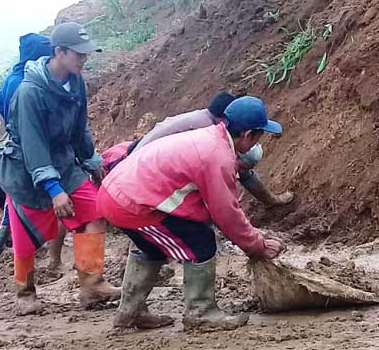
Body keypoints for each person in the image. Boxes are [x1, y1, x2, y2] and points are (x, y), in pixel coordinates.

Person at [99, 96, 285, 331]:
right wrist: (257, 244)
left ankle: (130, 312)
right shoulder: (218, 156)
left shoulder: (208, 136)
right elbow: (226, 214)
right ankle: (201, 313)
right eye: (259, 136)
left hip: (115, 192)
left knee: (152, 247)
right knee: (200, 242)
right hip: (133, 204)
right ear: (248, 135)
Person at [0, 22, 120, 315]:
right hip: (26, 172)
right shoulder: (29, 92)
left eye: (86, 53)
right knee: (25, 239)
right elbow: (33, 145)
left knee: (96, 211)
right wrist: (54, 189)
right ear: (59, 52)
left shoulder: (76, 82)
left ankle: (92, 284)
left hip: (64, 163)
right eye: (78, 53)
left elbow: (79, 128)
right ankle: (25, 294)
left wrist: (91, 160)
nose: (84, 59)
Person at [110, 91, 294, 208]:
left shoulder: (204, 122)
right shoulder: (205, 135)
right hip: (140, 183)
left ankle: (270, 201)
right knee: (201, 234)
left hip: (131, 172)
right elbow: (218, 199)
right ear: (224, 119)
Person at [0, 33, 57, 267]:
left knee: (14, 206)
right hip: (26, 148)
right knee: (27, 204)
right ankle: (43, 262)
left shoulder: (12, 78)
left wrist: (9, 119)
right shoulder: (25, 82)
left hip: (16, 146)